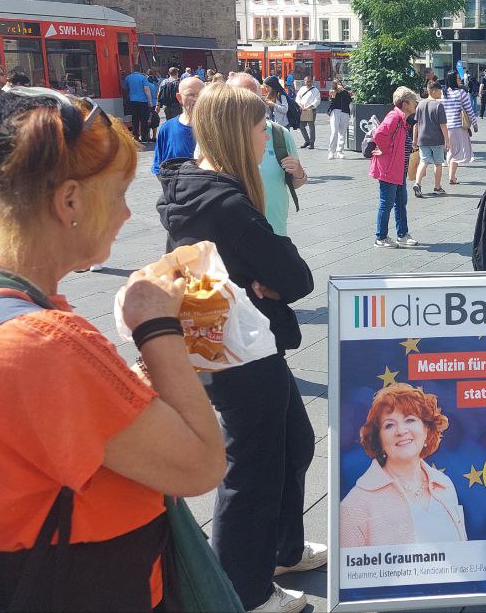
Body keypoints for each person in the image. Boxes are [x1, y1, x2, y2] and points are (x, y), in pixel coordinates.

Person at [0, 85, 226, 610]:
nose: (126, 216)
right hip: (94, 583)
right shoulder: (41, 343)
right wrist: (155, 324)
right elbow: (202, 465)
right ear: (69, 200)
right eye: (117, 195)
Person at [156, 84, 322, 613]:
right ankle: (243, 593)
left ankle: (280, 550)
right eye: (261, 128)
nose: (267, 138)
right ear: (237, 132)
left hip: (233, 341)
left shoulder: (192, 185)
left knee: (294, 442)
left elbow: (272, 273)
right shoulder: (227, 202)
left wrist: (262, 273)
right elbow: (295, 278)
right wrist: (270, 268)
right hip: (238, 350)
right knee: (251, 468)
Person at [339, 383, 466, 547]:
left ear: (427, 429)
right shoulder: (355, 506)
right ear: (379, 439)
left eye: (410, 419)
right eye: (389, 425)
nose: (401, 431)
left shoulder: (444, 484)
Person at [230, 73, 307, 237]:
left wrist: (299, 173)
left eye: (253, 98)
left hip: (275, 231)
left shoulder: (280, 134)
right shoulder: (215, 139)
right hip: (232, 236)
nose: (247, 104)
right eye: (240, 98)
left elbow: (297, 181)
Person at [371, 87, 420, 248]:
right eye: (413, 101)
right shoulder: (394, 117)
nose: (416, 104)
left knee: (400, 201)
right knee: (387, 203)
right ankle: (381, 237)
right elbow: (379, 134)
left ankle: (402, 234)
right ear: (405, 104)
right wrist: (387, 150)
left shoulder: (402, 120)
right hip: (389, 169)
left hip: (399, 169)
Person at [152, 76, 205, 174]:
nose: (196, 99)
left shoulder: (214, 128)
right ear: (179, 98)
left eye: (201, 94)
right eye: (191, 95)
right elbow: (158, 167)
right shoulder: (167, 129)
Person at [441, 72, 477, 185]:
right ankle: (452, 177)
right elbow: (469, 110)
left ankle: (451, 175)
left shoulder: (443, 93)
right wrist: (475, 124)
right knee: (456, 152)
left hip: (445, 127)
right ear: (453, 80)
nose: (459, 80)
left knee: (450, 150)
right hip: (458, 127)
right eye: (457, 78)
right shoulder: (461, 93)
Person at [414, 82, 449, 198]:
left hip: (423, 139)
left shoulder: (420, 105)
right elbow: (443, 125)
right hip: (436, 139)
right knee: (438, 163)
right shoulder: (439, 106)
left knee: (424, 162)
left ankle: (417, 183)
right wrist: (447, 140)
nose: (441, 93)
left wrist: (415, 139)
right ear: (433, 90)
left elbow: (416, 124)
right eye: (440, 91)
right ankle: (437, 187)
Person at [123, 68, 154, 142]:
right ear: (140, 70)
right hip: (143, 101)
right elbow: (146, 89)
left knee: (135, 119)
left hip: (133, 101)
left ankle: (136, 136)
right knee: (143, 119)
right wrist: (150, 101)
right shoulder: (143, 77)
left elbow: (125, 88)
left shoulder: (128, 77)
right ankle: (144, 136)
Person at [327, 79, 353, 159]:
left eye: (339, 83)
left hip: (344, 111)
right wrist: (334, 96)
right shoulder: (332, 91)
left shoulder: (345, 92)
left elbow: (349, 100)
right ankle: (331, 151)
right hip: (335, 111)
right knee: (334, 132)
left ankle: (340, 151)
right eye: (336, 83)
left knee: (342, 132)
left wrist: (344, 91)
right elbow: (332, 104)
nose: (338, 85)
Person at [295, 75, 320, 149]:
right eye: (307, 81)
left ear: (312, 82)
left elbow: (317, 101)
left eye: (310, 81)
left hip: (311, 110)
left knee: (311, 127)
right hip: (302, 110)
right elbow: (298, 98)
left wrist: (308, 107)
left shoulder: (315, 90)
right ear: (304, 81)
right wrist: (300, 106)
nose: (308, 83)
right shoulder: (302, 89)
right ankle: (307, 140)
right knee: (301, 126)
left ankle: (312, 143)